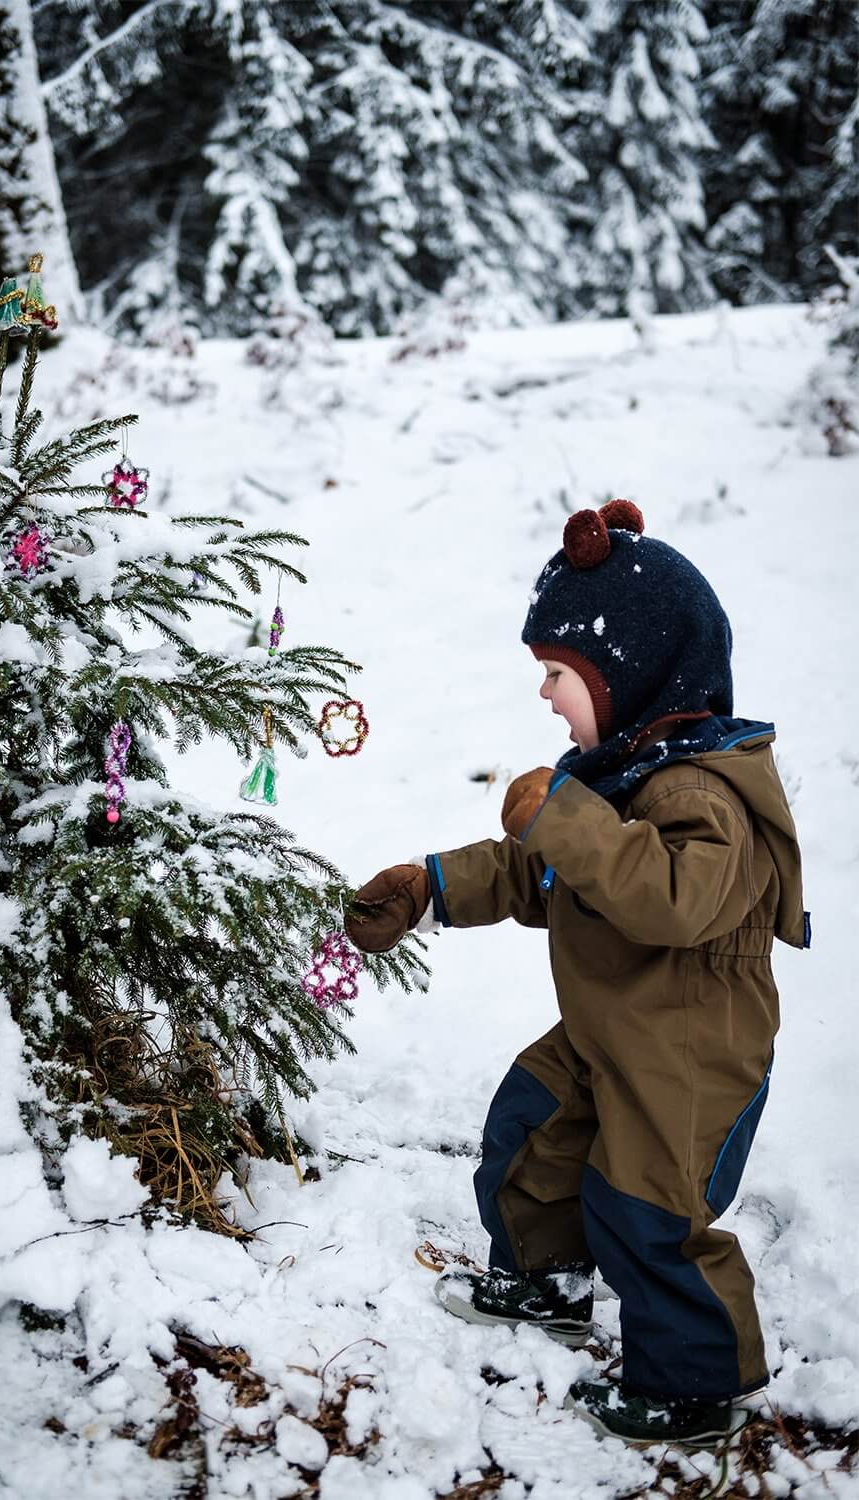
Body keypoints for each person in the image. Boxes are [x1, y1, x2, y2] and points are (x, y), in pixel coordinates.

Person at [344, 499, 809, 1447]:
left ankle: (692, 1387)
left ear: (634, 674)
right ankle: (546, 1281)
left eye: (560, 674)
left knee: (646, 1208)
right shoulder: (620, 773)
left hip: (690, 1046)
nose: (546, 695)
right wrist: (429, 886)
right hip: (616, 1022)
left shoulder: (699, 792)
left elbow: (675, 897)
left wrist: (562, 815)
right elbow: (538, 870)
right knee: (533, 1127)